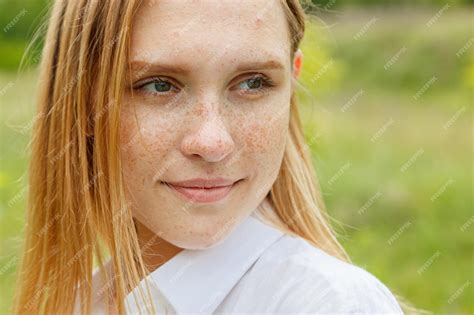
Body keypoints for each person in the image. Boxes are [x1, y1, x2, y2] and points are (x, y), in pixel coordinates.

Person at [12, 0, 408, 314]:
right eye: (158, 85)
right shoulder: (80, 303)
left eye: (253, 82)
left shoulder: (331, 305)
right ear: (81, 103)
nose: (212, 142)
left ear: (292, 81)